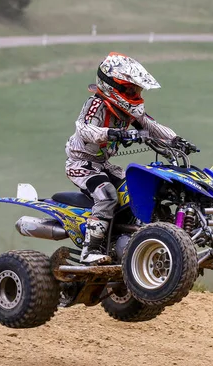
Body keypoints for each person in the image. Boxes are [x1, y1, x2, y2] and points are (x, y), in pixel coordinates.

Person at [64, 51, 188, 265]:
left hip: (103, 164)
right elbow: (83, 129)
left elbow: (151, 126)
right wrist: (110, 133)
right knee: (107, 195)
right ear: (114, 86)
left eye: (137, 89)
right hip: (82, 165)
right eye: (131, 89)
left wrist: (176, 139)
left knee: (134, 192)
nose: (135, 93)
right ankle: (89, 250)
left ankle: (126, 240)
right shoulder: (97, 104)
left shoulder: (128, 111)